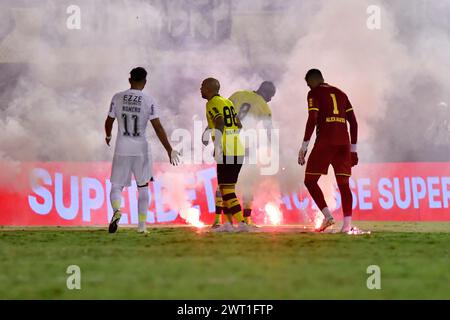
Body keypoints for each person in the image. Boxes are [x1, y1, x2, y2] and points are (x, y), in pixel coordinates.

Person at [104, 67, 180, 234]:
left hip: (122, 148)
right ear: (144, 83)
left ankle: (117, 210)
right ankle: (142, 226)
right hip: (141, 149)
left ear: (130, 80)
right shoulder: (148, 100)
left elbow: (109, 121)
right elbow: (158, 127)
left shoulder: (117, 97)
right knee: (143, 187)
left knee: (116, 186)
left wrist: (108, 136)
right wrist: (169, 149)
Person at [204, 81, 276, 227]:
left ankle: (218, 219)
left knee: (224, 183)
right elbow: (269, 130)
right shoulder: (264, 106)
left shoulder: (238, 94)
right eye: (271, 96)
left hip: (229, 140)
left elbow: (221, 112)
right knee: (247, 182)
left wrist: (207, 130)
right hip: (247, 146)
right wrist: (275, 148)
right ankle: (246, 220)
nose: (270, 100)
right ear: (267, 94)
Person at [298, 69, 358, 233]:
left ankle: (327, 216)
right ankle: (346, 226)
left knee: (310, 181)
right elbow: (353, 122)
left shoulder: (314, 93)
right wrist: (353, 150)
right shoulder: (341, 93)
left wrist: (304, 145)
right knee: (344, 185)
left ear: (312, 81)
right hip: (344, 144)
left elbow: (312, 118)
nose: (308, 87)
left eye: (308, 84)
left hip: (325, 142)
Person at [201, 77, 248, 232]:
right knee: (227, 188)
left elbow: (220, 122)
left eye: (202, 86)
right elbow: (238, 124)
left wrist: (219, 144)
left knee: (226, 189)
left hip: (227, 150)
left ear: (209, 89)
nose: (200, 89)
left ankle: (243, 223)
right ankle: (228, 225)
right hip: (238, 149)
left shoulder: (212, 103)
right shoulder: (227, 102)